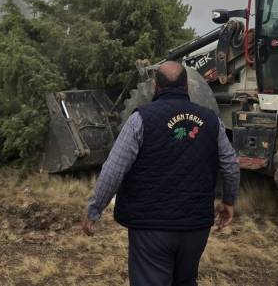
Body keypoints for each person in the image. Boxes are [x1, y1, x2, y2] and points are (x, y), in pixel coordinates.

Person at [81, 60, 240, 286]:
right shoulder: (212, 121)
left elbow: (114, 168)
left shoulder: (140, 119)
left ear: (155, 87)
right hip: (195, 227)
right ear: (187, 86)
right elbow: (231, 165)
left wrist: (95, 208)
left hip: (150, 229)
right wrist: (228, 201)